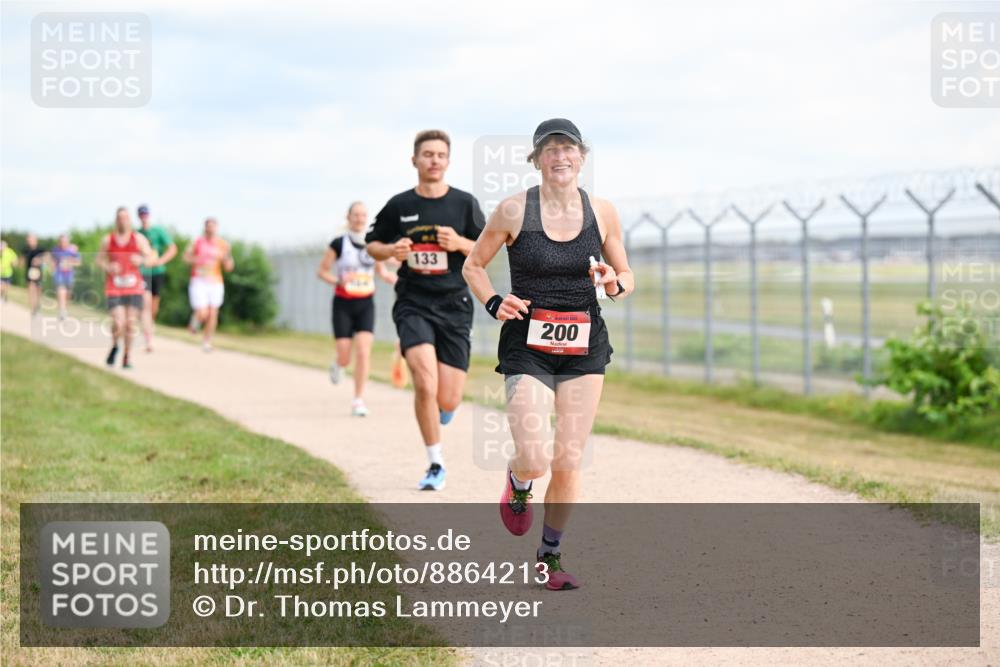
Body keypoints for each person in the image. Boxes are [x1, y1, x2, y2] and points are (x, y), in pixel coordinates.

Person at [463, 119, 634, 590]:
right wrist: (494, 301)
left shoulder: (602, 212)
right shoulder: (515, 209)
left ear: (582, 156)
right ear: (537, 159)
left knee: (569, 457)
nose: (560, 156)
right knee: (536, 457)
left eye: (569, 148)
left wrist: (613, 283)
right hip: (527, 343)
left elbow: (625, 275)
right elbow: (473, 265)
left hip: (584, 344)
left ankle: (550, 556)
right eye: (550, 149)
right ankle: (520, 482)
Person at [366, 129, 485, 491]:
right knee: (424, 382)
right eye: (428, 154)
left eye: (440, 155)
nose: (434, 160)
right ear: (414, 160)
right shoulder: (399, 205)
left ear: (448, 161)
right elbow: (372, 245)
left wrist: (460, 242)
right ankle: (435, 463)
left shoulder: (464, 203)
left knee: (447, 398)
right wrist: (392, 251)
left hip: (454, 304)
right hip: (413, 302)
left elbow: (486, 248)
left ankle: (443, 410)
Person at [317, 201, 397, 417]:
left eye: (363, 215)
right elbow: (322, 271)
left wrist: (391, 277)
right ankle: (338, 364)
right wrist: (338, 281)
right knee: (345, 357)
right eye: (356, 215)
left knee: (363, 352)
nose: (360, 219)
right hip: (343, 303)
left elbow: (381, 268)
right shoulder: (338, 243)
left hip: (365, 303)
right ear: (348, 217)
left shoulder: (372, 244)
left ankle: (358, 400)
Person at [96, 207, 156, 369]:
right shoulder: (108, 240)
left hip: (134, 287)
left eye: (126, 218)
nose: (123, 221)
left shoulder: (138, 239)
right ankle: (115, 345)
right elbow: (99, 260)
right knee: (118, 322)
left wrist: (142, 260)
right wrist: (108, 266)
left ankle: (127, 356)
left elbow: (151, 255)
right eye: (120, 218)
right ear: (116, 220)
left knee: (130, 323)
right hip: (114, 287)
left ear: (130, 221)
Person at [184, 217, 234, 352]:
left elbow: (229, 267)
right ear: (205, 227)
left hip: (215, 282)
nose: (211, 229)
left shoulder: (223, 244)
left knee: (213, 313)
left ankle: (207, 342)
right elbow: (185, 257)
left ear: (217, 228)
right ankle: (195, 321)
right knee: (203, 313)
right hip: (199, 281)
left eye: (213, 226)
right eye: (208, 226)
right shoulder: (196, 242)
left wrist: (225, 258)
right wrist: (196, 260)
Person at [136, 204, 178, 352]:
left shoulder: (158, 231)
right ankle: (148, 337)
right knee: (145, 303)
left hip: (158, 271)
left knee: (154, 305)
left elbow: (172, 248)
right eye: (141, 214)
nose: (144, 216)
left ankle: (150, 325)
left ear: (149, 215)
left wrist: (161, 260)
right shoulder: (138, 233)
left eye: (145, 214)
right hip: (143, 272)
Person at [50, 234, 81, 319]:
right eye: (61, 241)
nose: (62, 243)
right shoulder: (55, 250)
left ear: (68, 242)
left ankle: (65, 310)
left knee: (68, 294)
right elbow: (52, 260)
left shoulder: (72, 250)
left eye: (64, 241)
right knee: (61, 291)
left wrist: (70, 262)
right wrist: (52, 268)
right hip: (59, 275)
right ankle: (61, 311)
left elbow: (78, 262)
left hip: (69, 276)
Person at [22, 234, 47, 316]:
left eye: (31, 240)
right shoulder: (25, 250)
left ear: (35, 240)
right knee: (31, 290)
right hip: (29, 273)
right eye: (28, 240)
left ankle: (37, 306)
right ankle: (33, 309)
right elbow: (21, 260)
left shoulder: (41, 250)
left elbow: (47, 258)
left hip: (39, 273)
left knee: (38, 291)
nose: (29, 242)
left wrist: (39, 260)